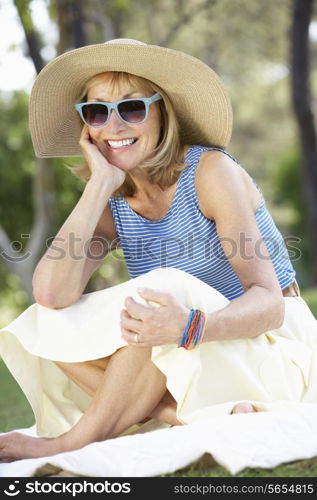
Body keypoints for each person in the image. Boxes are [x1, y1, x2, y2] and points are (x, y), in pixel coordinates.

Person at [0, 38, 317, 464]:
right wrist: (98, 186)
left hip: (270, 344)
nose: (114, 127)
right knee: (45, 322)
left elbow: (270, 305)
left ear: (161, 112)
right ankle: (184, 414)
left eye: (132, 108)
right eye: (97, 112)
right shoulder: (114, 198)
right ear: (86, 127)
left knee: (158, 294)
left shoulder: (210, 171)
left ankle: (74, 441)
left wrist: (188, 327)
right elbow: (52, 295)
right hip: (191, 346)